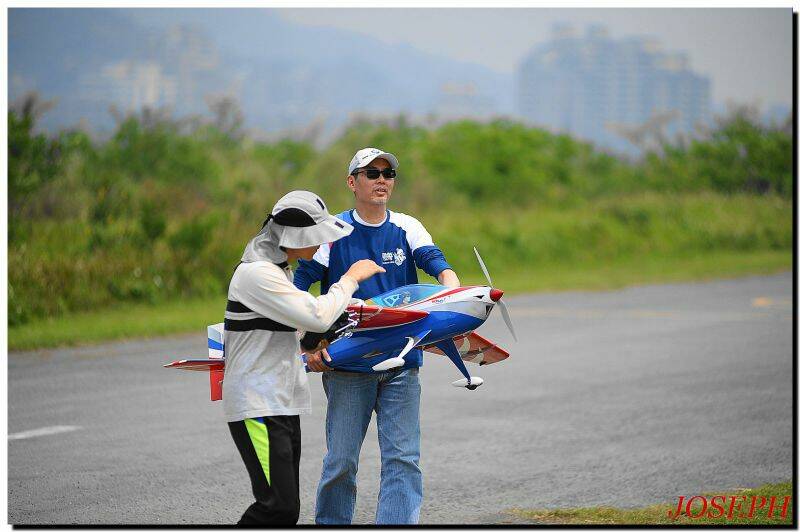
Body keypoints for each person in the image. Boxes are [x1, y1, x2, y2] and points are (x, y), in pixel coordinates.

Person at [293, 148, 460, 524]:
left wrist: (453, 291)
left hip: (402, 363)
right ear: (352, 182)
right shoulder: (331, 231)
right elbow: (299, 286)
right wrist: (308, 342)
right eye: (372, 173)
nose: (382, 179)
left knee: (403, 459)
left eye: (388, 173)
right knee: (341, 461)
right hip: (347, 365)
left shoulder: (407, 226)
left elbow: (438, 265)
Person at [223, 190, 385, 525]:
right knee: (277, 507)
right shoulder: (257, 274)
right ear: (292, 236)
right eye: (314, 236)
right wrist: (349, 280)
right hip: (258, 405)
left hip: (279, 403)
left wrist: (316, 340)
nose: (320, 243)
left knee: (285, 511)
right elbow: (317, 315)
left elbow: (300, 332)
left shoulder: (276, 270)